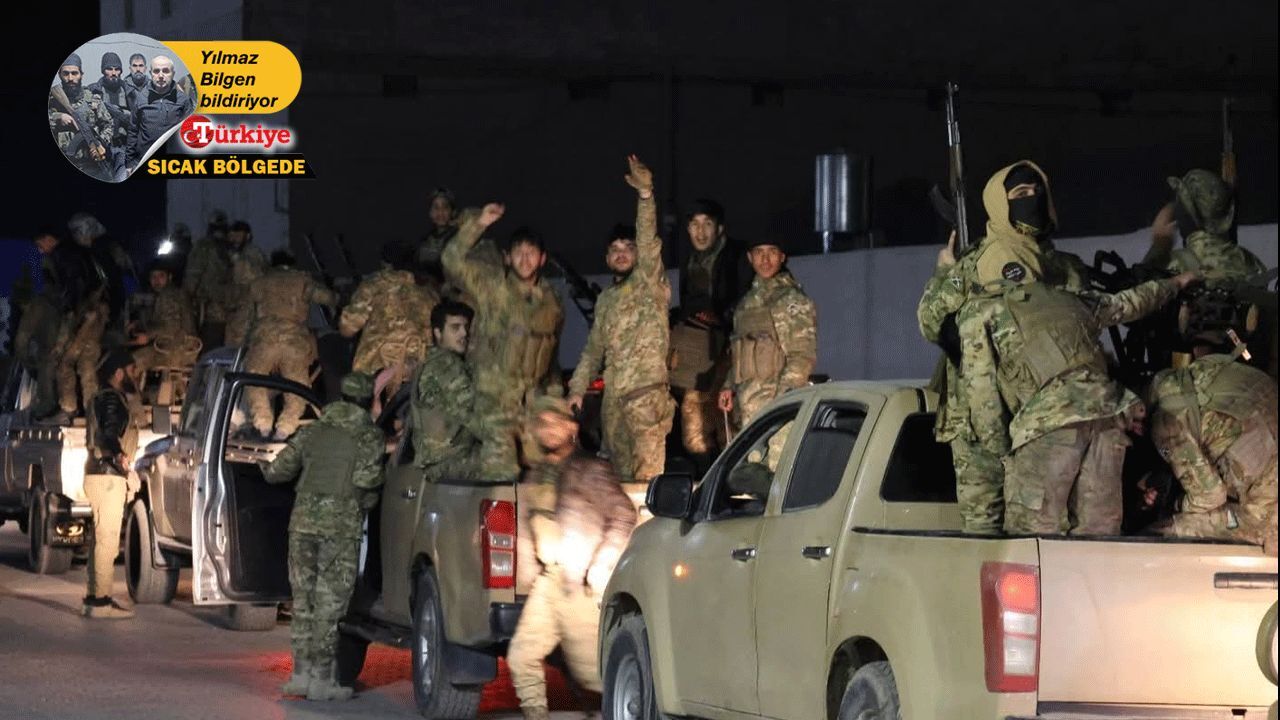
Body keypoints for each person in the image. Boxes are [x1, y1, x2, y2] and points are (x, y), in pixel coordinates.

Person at [959, 232, 1198, 536]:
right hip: (1108, 416)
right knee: (1099, 534)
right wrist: (1176, 283)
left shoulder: (981, 313)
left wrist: (1000, 452)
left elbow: (982, 397)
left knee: (1031, 536)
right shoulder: (1069, 299)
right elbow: (1129, 303)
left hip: (1049, 423)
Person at [917, 160, 1084, 533]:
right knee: (984, 527)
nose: (1032, 199)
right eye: (1020, 193)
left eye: (1038, 191)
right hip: (978, 416)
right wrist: (945, 271)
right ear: (999, 202)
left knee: (1044, 527)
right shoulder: (975, 262)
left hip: (1044, 416)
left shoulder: (1064, 267)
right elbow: (930, 322)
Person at [507, 396, 637, 720]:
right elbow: (530, 523)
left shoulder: (589, 469)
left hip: (581, 586)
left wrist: (600, 566)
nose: (548, 429)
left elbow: (623, 514)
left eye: (556, 422)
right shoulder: (538, 473)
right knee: (522, 656)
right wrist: (527, 573)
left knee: (595, 675)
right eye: (542, 423)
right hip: (550, 581)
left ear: (572, 428)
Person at [264, 373, 385, 700]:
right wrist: (366, 503)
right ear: (368, 402)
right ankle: (322, 682)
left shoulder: (313, 431)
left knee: (303, 602)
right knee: (329, 607)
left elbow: (277, 471)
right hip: (339, 530)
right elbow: (367, 483)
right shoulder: (368, 436)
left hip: (301, 526)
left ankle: (299, 677)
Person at [568, 155, 674, 483]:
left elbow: (648, 238)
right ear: (607, 257)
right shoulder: (606, 300)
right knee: (616, 485)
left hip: (646, 401)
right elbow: (593, 350)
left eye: (628, 247)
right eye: (614, 249)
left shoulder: (649, 281)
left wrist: (645, 196)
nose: (621, 253)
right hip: (613, 408)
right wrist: (576, 389)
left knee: (646, 488)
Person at [442, 207, 565, 481]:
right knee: (502, 471)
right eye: (518, 252)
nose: (525, 258)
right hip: (493, 402)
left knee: (551, 473)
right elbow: (451, 260)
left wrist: (555, 399)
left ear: (542, 258)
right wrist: (479, 223)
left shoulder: (552, 302)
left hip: (533, 404)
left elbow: (551, 355)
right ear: (507, 258)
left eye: (531, 252)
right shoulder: (492, 289)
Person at [1147, 344, 1277, 554]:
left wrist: (1177, 504)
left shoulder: (1166, 421)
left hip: (1268, 492)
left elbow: (1210, 496)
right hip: (1265, 433)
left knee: (1174, 528)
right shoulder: (1203, 368)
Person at [670, 198, 748, 474]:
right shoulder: (690, 260)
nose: (700, 232)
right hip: (700, 354)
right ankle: (707, 480)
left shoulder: (738, 256)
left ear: (720, 228)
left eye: (707, 224)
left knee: (728, 426)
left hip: (732, 353)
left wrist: (720, 317)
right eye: (694, 225)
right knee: (693, 427)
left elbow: (747, 302)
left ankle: (732, 482)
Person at [718, 237, 817, 427]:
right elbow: (740, 354)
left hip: (775, 412)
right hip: (746, 410)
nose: (765, 260)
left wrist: (782, 404)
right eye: (759, 252)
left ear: (782, 256)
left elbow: (802, 357)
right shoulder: (745, 304)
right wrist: (728, 386)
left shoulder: (790, 299)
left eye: (772, 251)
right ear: (750, 257)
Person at [244, 252, 338, 439]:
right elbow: (328, 298)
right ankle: (285, 428)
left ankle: (263, 425)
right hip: (294, 341)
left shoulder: (259, 283)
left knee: (255, 380)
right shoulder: (302, 281)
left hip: (264, 340)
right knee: (297, 385)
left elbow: (245, 315)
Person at [81, 350, 144, 619]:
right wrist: (124, 464)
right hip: (107, 476)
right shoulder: (111, 399)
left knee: (100, 540)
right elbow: (108, 436)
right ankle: (101, 603)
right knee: (107, 542)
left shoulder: (102, 397)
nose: (135, 376)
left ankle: (94, 597)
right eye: (131, 371)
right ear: (118, 373)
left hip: (98, 474)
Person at [340, 240, 438, 391]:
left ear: (385, 263)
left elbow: (347, 330)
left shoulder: (371, 286)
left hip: (377, 363)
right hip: (421, 363)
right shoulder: (428, 289)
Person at [409, 301, 482, 478]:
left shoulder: (430, 362)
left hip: (439, 464)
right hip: (451, 462)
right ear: (438, 332)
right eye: (455, 328)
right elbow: (473, 415)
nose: (464, 333)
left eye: (466, 327)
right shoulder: (446, 364)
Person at [129, 265, 199, 391]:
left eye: (161, 276)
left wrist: (147, 336)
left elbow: (172, 327)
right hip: (177, 346)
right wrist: (139, 324)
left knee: (132, 362)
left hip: (176, 349)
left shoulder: (169, 295)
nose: (156, 280)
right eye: (153, 277)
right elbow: (161, 321)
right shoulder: (169, 294)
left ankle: (134, 401)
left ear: (169, 277)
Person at [48, 53, 116, 182]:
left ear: (81, 75)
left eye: (74, 73)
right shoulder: (52, 102)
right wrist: (58, 117)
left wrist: (100, 144)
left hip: (92, 166)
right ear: (59, 75)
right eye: (66, 74)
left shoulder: (93, 101)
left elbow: (108, 124)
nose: (70, 78)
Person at [126, 55, 190, 170]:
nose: (161, 75)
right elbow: (133, 131)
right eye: (156, 71)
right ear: (150, 73)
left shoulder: (183, 100)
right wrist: (129, 164)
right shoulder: (141, 98)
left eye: (165, 71)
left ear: (173, 74)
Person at [184, 210, 233, 350]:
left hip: (211, 312)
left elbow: (192, 276)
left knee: (210, 351)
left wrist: (187, 301)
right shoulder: (231, 248)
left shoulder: (204, 246)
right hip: (225, 311)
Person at [223, 221, 268, 347]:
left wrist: (238, 261)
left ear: (247, 236)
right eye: (233, 236)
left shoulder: (252, 253)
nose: (234, 239)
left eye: (238, 236)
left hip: (248, 306)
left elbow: (256, 277)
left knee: (240, 342)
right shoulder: (234, 254)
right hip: (236, 306)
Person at [418, 187, 459, 290]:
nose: (440, 212)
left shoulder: (459, 238)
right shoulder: (425, 241)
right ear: (430, 213)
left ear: (452, 212)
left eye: (445, 207)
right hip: (427, 291)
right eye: (436, 208)